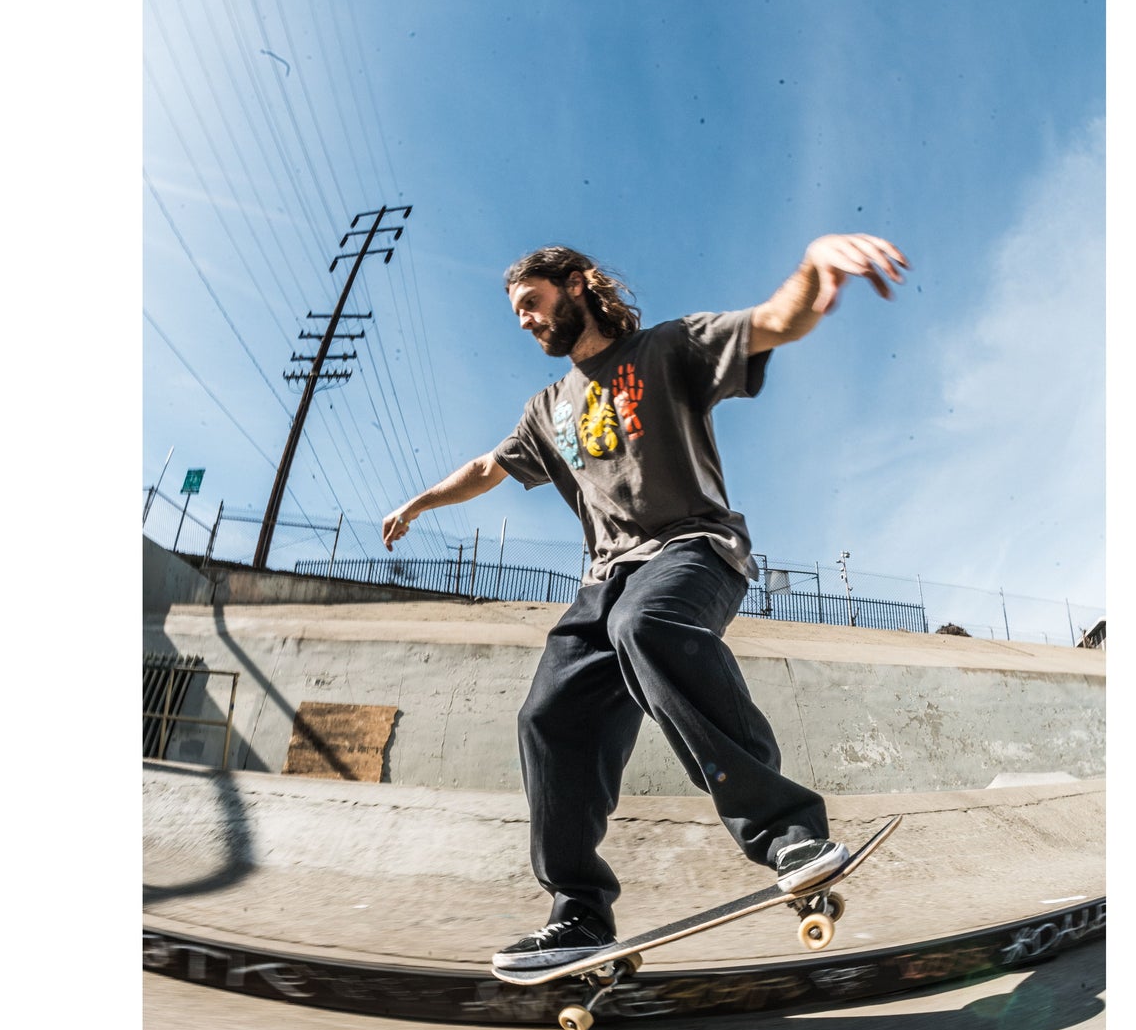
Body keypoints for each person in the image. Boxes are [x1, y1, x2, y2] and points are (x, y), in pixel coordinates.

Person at [381, 232, 909, 971]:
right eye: (517, 312)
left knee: (649, 624)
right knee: (550, 716)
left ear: (575, 285)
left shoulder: (666, 349)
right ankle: (578, 913)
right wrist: (419, 503)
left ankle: (788, 832)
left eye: (532, 302)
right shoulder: (545, 409)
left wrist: (815, 262)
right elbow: (486, 467)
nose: (525, 320)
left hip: (694, 549)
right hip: (606, 577)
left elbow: (771, 322)